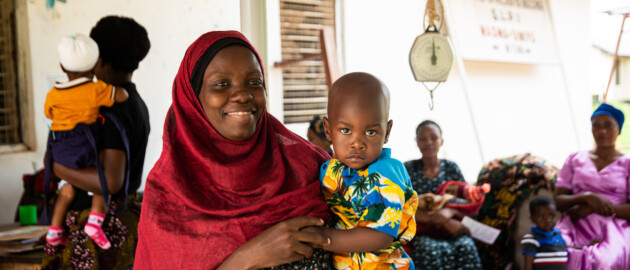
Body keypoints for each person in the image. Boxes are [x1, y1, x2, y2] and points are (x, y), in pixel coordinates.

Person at [134, 31, 332, 270]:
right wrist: (248, 258)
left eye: (254, 82)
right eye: (222, 84)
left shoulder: (310, 166)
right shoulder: (167, 194)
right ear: (193, 97)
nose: (243, 95)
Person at [42, 16, 151, 270]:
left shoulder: (110, 109)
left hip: (102, 230)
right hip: (123, 222)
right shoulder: (135, 103)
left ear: (97, 59)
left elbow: (110, 181)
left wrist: (55, 167)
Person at [302, 72, 418, 269]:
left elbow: (379, 236)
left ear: (387, 132)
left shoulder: (385, 173)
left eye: (370, 132)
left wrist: (323, 237)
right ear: (328, 130)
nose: (357, 143)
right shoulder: (331, 169)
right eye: (346, 131)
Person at [44, 33, 129, 250]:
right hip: (83, 141)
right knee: (101, 182)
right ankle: (95, 220)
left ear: (62, 67)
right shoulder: (95, 90)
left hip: (59, 145)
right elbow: (121, 96)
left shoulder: (53, 93)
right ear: (95, 66)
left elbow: (48, 112)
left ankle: (53, 230)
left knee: (67, 188)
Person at [554, 103, 630, 270]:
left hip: (613, 228)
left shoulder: (627, 163)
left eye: (608, 125)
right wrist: (586, 197)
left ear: (619, 129)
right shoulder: (575, 159)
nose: (601, 131)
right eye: (596, 126)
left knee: (604, 260)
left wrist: (595, 208)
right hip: (575, 223)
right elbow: (558, 200)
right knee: (555, 252)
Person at [404, 120, 482, 269]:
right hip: (423, 232)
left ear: (442, 140)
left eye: (433, 137)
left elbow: (467, 202)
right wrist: (444, 221)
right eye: (422, 138)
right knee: (427, 249)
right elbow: (403, 207)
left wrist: (450, 211)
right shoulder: (407, 169)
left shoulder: (451, 167)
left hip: (453, 228)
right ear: (417, 142)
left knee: (466, 246)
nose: (429, 143)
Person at [521, 195, 568, 270]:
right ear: (532, 219)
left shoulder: (560, 236)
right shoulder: (531, 239)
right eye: (541, 217)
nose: (548, 220)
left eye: (552, 216)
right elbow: (527, 267)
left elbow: (570, 250)